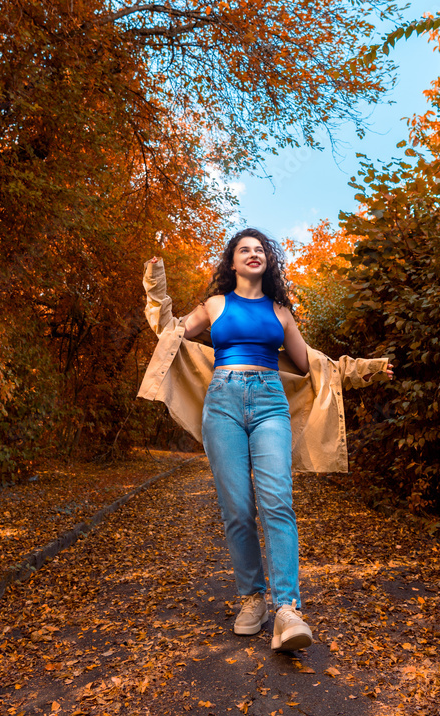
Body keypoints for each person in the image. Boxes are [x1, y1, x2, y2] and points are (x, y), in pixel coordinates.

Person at [140, 228, 394, 653]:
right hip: (222, 403)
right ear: (233, 262)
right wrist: (155, 284)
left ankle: (287, 609)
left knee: (277, 500)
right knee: (237, 508)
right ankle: (252, 599)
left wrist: (363, 370)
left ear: (267, 261)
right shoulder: (214, 305)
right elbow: (170, 332)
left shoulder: (281, 313)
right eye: (244, 249)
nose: (253, 254)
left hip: (271, 404)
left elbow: (315, 365)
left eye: (260, 249)